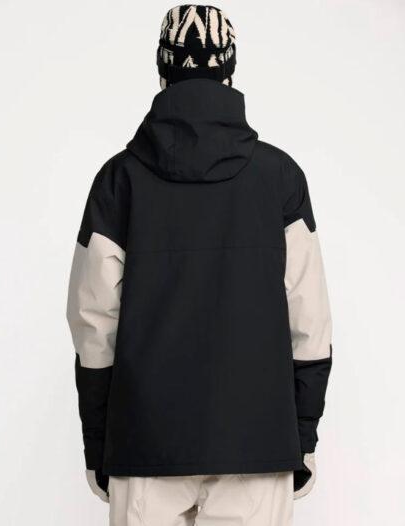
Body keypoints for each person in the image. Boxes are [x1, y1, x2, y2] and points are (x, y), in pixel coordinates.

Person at [66, 5, 332, 525]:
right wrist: (301, 436)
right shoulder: (281, 179)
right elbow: (311, 323)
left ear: (161, 71)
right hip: (257, 442)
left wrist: (98, 441)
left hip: (145, 442)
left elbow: (93, 326)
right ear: (230, 71)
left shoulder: (118, 182)